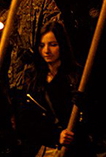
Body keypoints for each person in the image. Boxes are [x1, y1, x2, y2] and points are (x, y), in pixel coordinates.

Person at [12, 22, 84, 156]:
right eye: (42, 45)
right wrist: (55, 135)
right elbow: (27, 120)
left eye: (53, 45)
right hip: (41, 148)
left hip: (71, 149)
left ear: (62, 45)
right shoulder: (32, 76)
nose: (46, 50)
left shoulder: (76, 77)